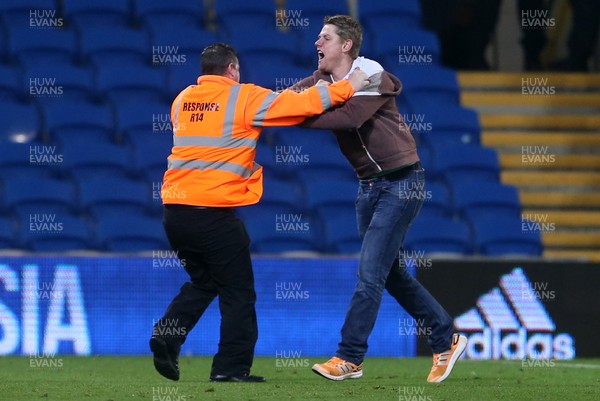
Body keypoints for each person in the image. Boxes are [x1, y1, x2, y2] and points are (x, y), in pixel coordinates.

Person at [149, 42, 369, 383]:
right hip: (213, 212)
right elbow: (302, 106)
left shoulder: (182, 100)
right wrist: (349, 85)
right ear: (233, 70)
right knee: (239, 292)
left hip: (175, 212)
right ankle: (230, 369)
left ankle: (167, 334)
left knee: (204, 281)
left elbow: (223, 123)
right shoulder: (244, 97)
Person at [289, 15, 468, 383]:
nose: (316, 43)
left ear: (346, 45)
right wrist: (254, 104)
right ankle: (445, 336)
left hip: (402, 182)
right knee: (391, 275)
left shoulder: (369, 71)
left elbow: (349, 119)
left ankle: (349, 357)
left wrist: (300, 116)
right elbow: (285, 100)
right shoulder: (322, 80)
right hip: (369, 187)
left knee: (370, 274)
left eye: (324, 38)